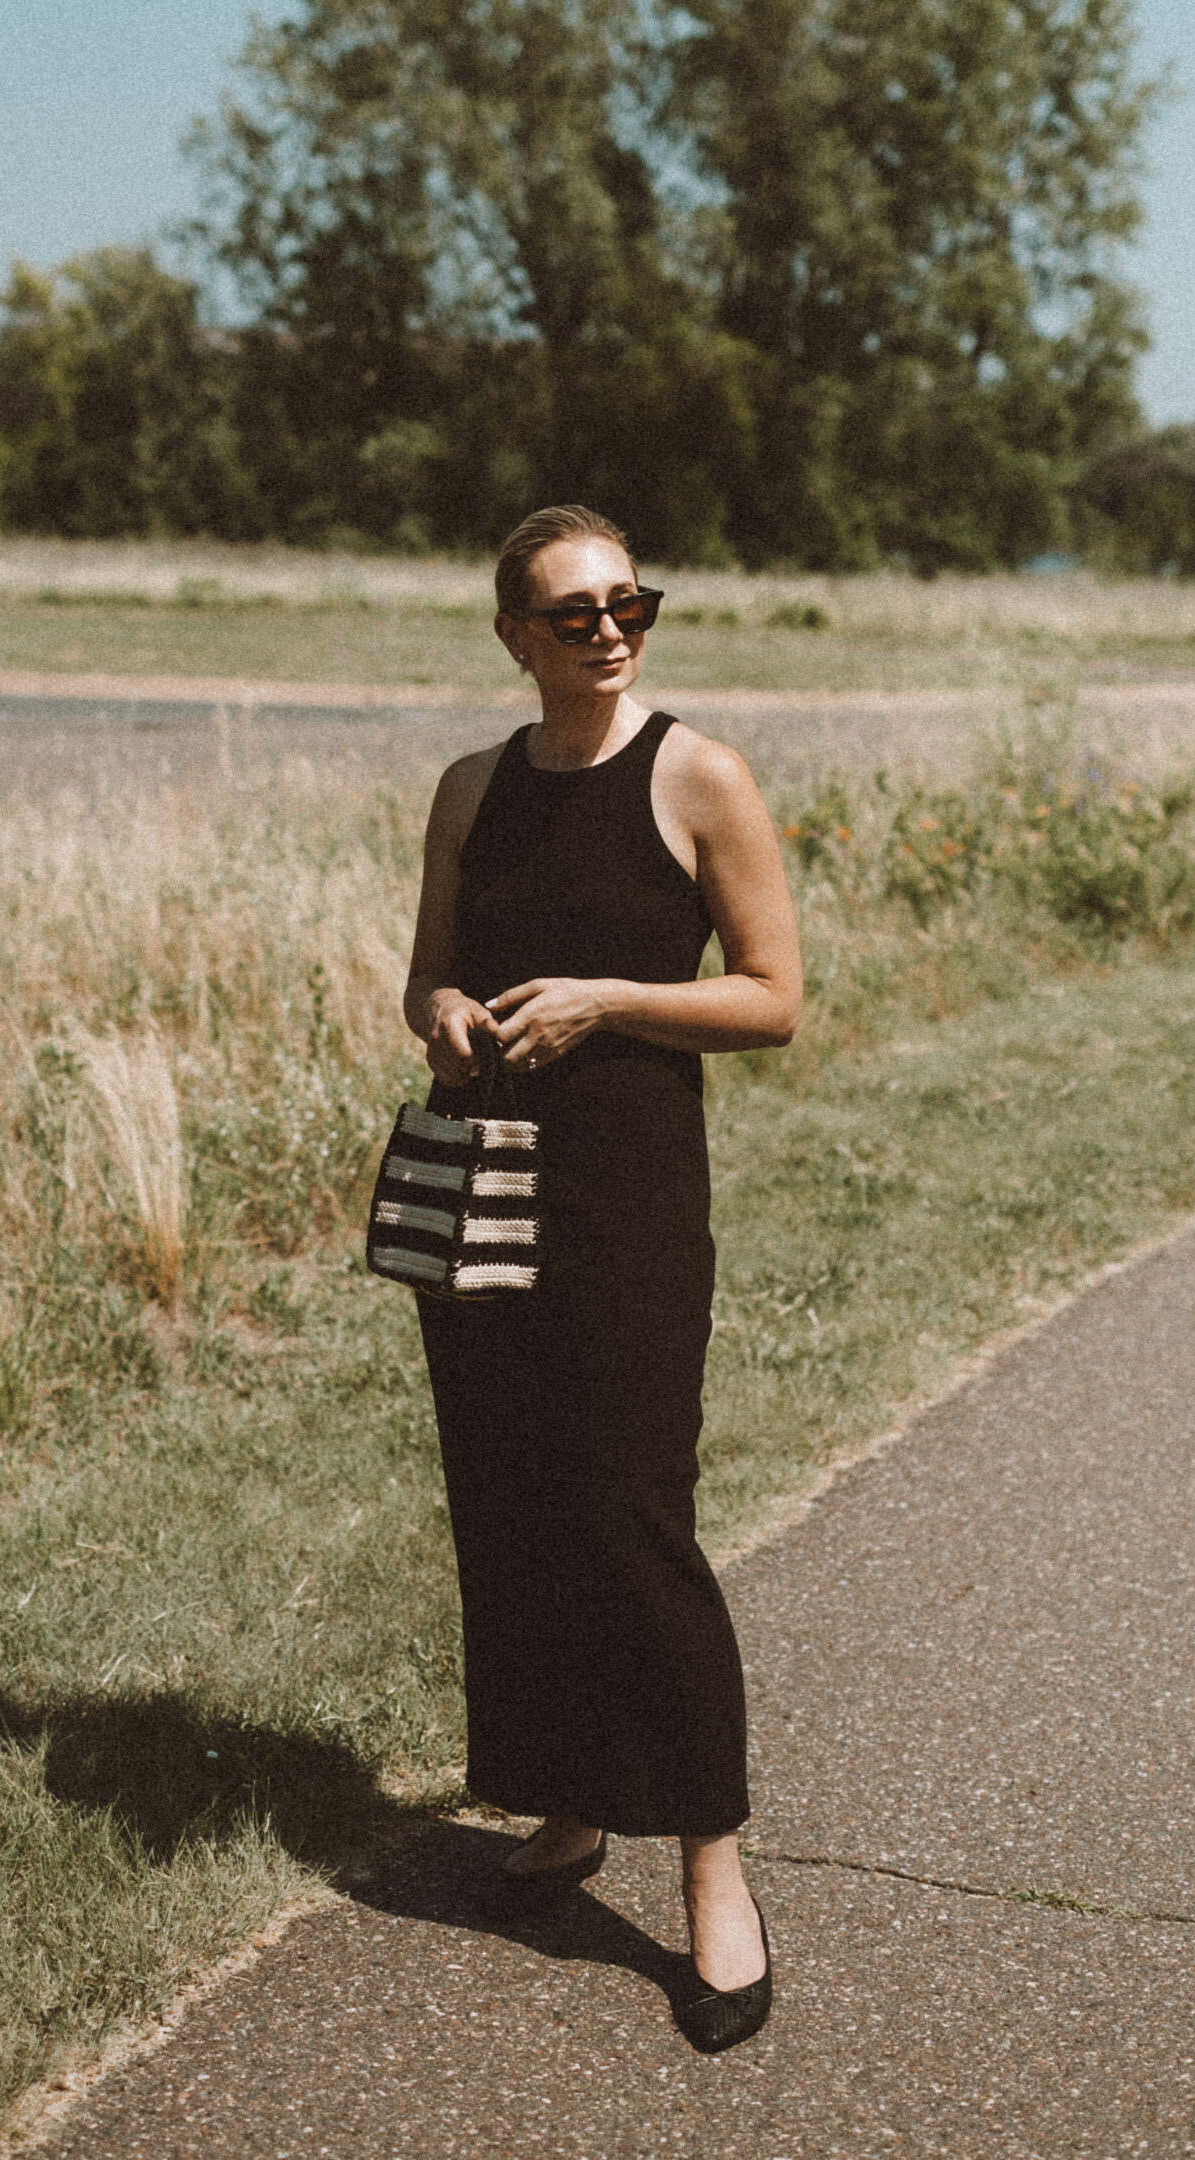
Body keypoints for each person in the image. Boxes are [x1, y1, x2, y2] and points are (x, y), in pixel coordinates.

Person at [402, 503, 802, 2054]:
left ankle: (715, 1870)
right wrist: (443, 1011)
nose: (612, 628)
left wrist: (613, 1004)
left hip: (631, 1202)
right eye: (575, 612)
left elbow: (774, 1001)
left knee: (634, 1518)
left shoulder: (697, 774)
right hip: (486, 1188)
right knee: (509, 1503)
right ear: (515, 634)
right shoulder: (470, 787)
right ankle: (568, 1810)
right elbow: (425, 972)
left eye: (630, 601)